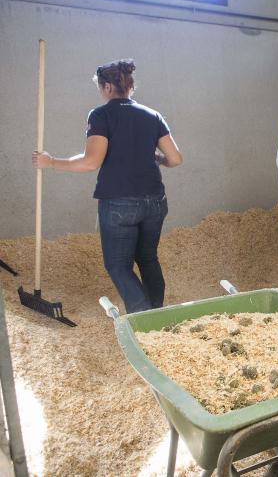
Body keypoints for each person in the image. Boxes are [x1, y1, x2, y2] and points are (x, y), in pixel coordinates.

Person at [32, 59, 183, 313]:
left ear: (107, 87)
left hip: (119, 203)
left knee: (117, 265)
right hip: (156, 202)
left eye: (100, 87)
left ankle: (143, 317)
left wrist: (51, 162)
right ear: (130, 87)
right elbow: (175, 159)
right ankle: (156, 313)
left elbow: (91, 162)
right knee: (147, 258)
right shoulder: (152, 115)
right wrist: (155, 157)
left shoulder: (100, 115)